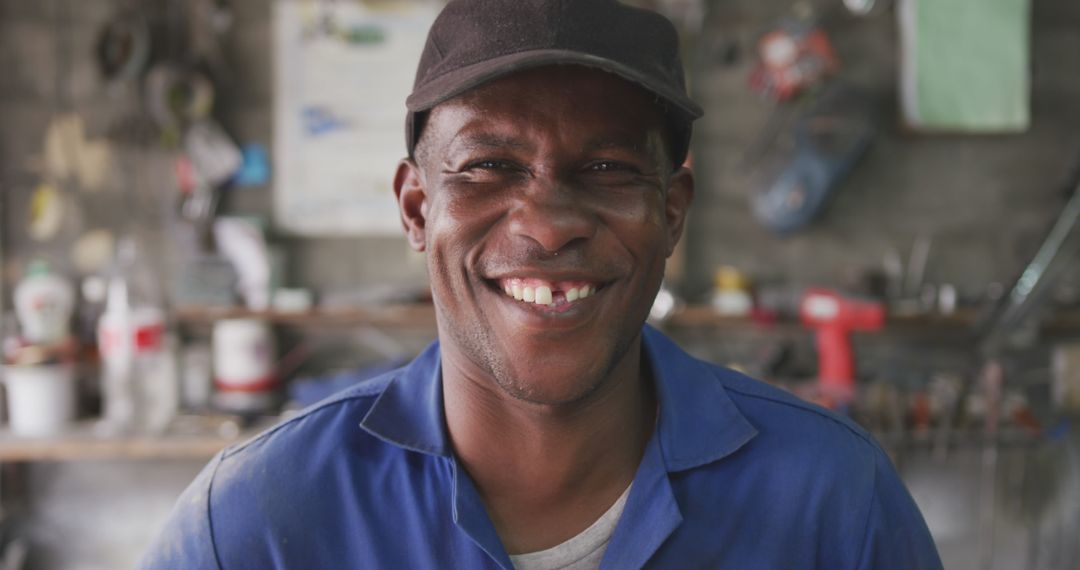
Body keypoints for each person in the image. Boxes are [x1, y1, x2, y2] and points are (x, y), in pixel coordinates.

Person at [141, 0, 942, 568]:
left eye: (607, 167)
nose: (549, 224)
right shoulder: (259, 521)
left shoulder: (834, 503)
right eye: (489, 165)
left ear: (671, 212)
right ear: (417, 208)